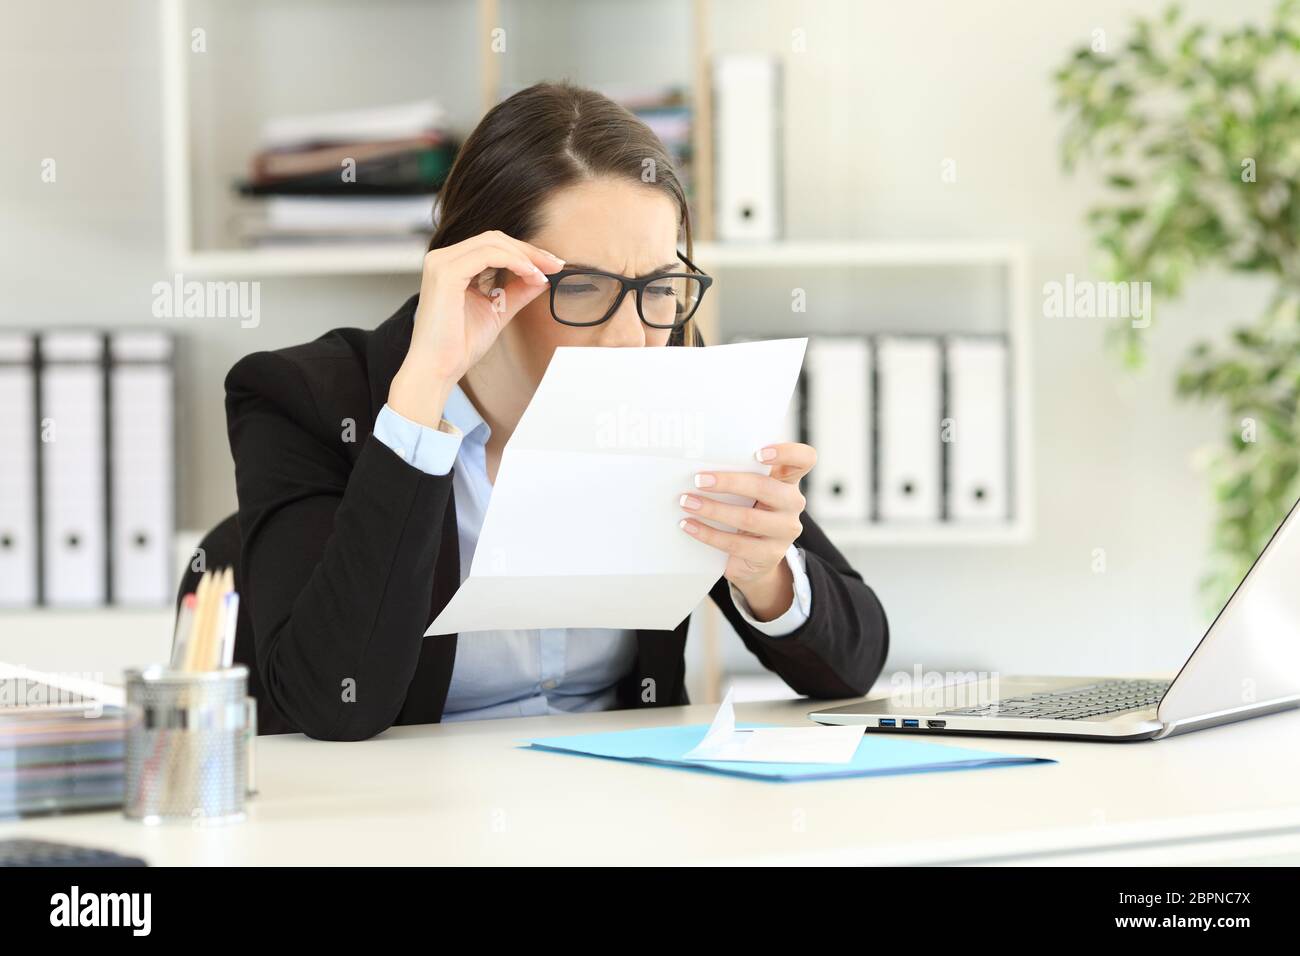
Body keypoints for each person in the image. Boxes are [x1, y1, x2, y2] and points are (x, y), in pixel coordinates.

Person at [224, 82, 889, 740]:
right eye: (587, 286)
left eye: (659, 287)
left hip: (623, 803)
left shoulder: (672, 372)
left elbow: (854, 665)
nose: (634, 336)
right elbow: (336, 704)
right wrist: (421, 402)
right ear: (487, 278)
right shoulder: (302, 399)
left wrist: (764, 571)